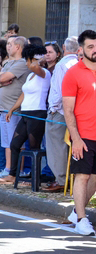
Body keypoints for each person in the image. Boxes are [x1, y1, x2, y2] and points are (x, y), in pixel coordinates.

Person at [0, 43, 51, 185]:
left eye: (27, 60)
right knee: (15, 144)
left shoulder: (44, 73)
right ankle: (13, 175)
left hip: (37, 114)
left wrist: (35, 56)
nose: (27, 63)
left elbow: (34, 66)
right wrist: (12, 109)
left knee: (34, 148)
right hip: (25, 113)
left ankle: (34, 177)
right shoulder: (31, 76)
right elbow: (23, 94)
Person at [62, 29, 96, 236]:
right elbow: (67, 109)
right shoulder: (73, 73)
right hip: (82, 135)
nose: (95, 50)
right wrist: (75, 138)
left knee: (94, 177)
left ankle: (77, 211)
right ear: (81, 49)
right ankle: (82, 220)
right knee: (82, 176)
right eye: (90, 47)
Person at [43, 36, 79, 192]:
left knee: (56, 146)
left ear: (64, 48)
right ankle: (69, 178)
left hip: (59, 111)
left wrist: (53, 107)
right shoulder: (78, 64)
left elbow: (60, 90)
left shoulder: (62, 65)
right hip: (74, 110)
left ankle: (61, 179)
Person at [0, 35, 30, 179]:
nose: (7, 47)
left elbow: (1, 78)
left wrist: (0, 77)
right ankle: (8, 169)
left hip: (13, 109)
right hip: (3, 108)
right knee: (6, 142)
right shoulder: (7, 63)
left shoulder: (21, 63)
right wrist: (0, 77)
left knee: (15, 142)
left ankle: (16, 171)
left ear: (18, 47)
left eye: (10, 44)